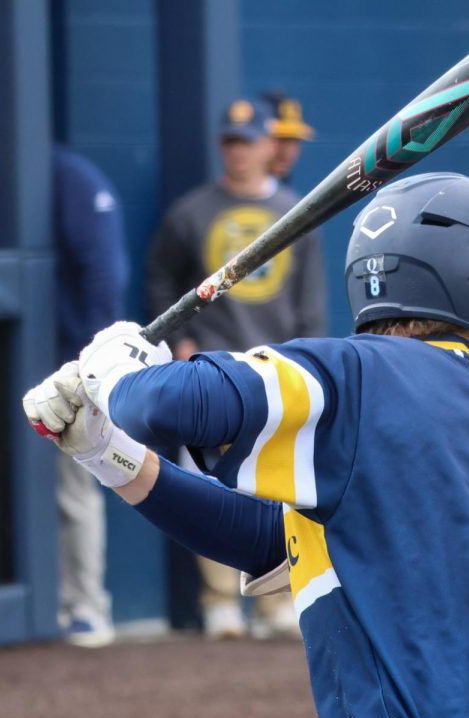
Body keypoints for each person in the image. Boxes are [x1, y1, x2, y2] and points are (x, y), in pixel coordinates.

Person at [23, 173, 469, 718]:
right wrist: (111, 453)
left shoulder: (363, 376)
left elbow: (170, 403)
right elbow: (281, 543)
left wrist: (112, 366)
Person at [146, 97, 325, 639]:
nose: (238, 153)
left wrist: (311, 361)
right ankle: (219, 601)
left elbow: (310, 300)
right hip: (212, 367)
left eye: (247, 143)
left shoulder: (297, 211)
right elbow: (159, 277)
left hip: (276, 366)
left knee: (277, 485)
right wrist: (178, 339)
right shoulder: (192, 211)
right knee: (208, 486)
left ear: (269, 147)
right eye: (230, 142)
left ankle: (275, 604)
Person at [50, 146, 131, 647]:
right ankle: (64, 606)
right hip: (8, 358)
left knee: (74, 489)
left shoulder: (69, 175)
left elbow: (105, 273)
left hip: (68, 365)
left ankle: (85, 606)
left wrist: (94, 365)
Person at [259, 90, 314, 183]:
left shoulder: (289, 195)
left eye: (295, 141)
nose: (288, 152)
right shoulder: (231, 193)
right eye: (280, 140)